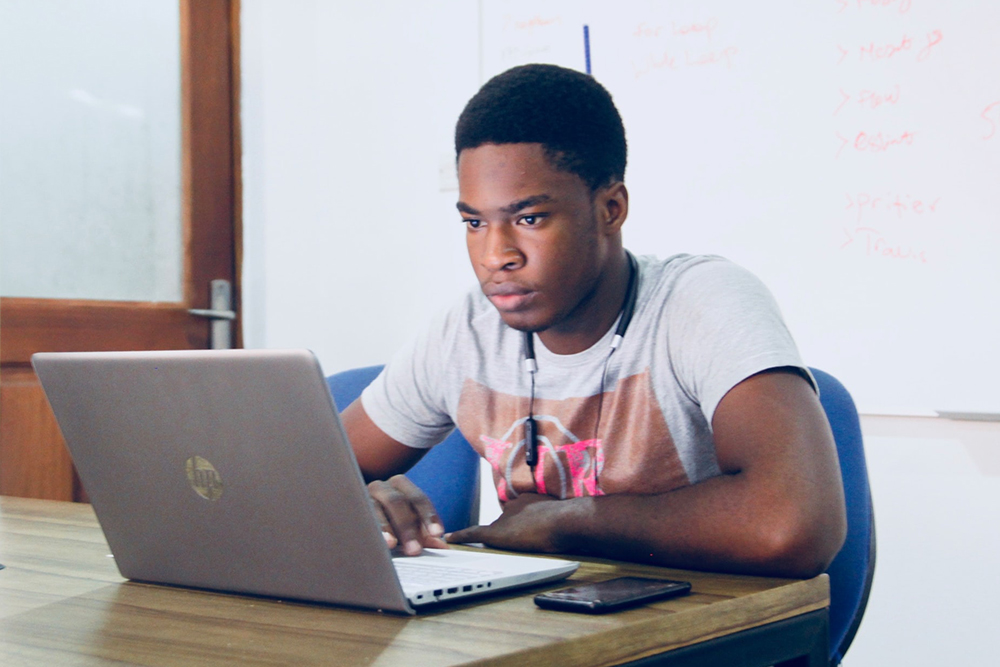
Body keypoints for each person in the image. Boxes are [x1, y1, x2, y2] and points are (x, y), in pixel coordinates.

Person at [342, 63, 846, 578]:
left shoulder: (701, 302)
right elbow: (296, 480)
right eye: (474, 222)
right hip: (541, 633)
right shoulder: (467, 330)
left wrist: (568, 521)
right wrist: (363, 501)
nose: (496, 255)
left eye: (529, 219)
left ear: (610, 208)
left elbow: (792, 526)